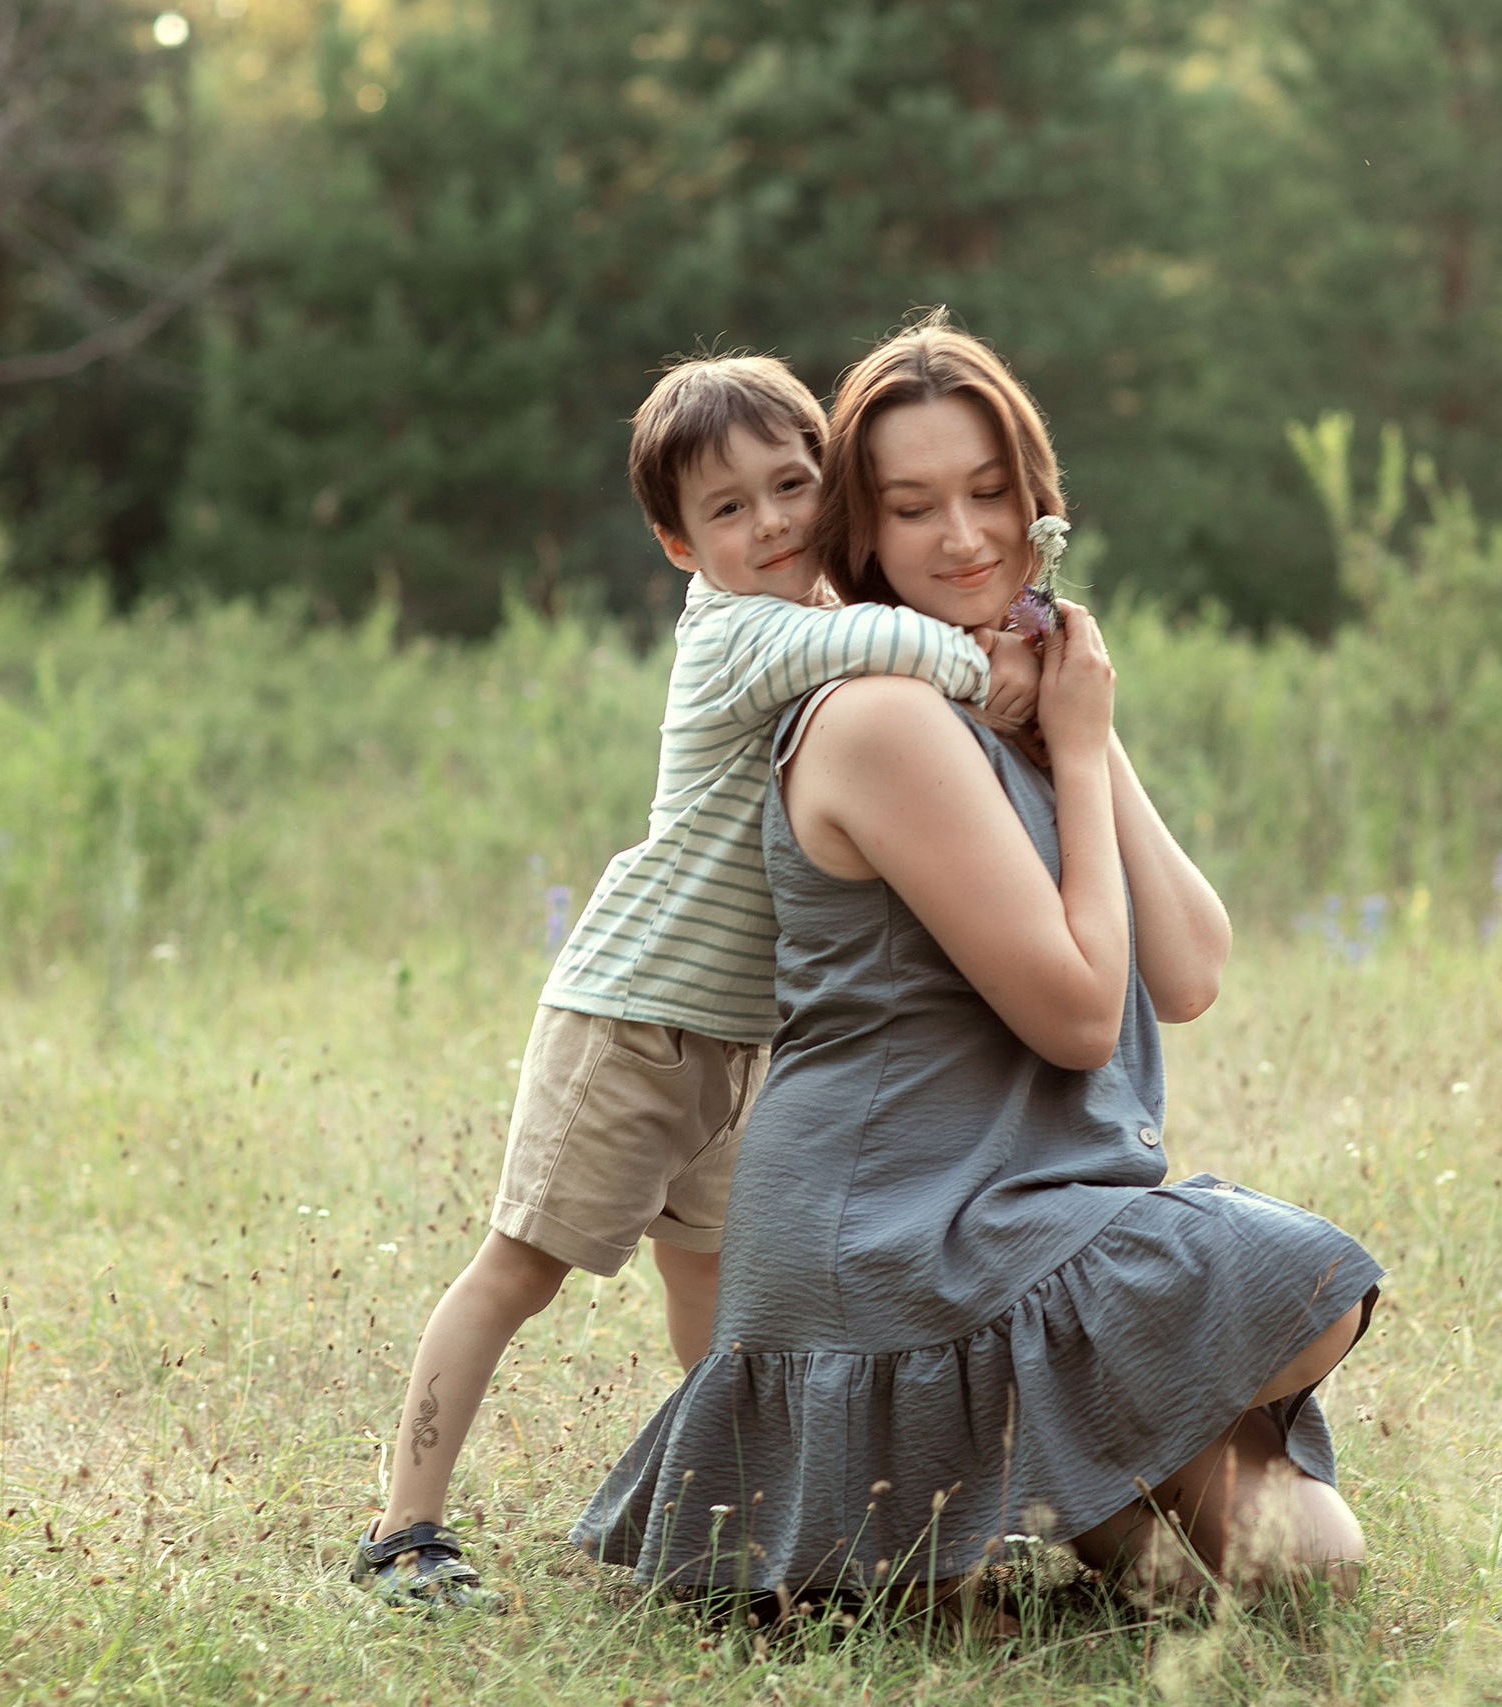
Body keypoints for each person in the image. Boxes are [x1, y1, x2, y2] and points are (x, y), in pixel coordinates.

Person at [575, 317, 1383, 1607]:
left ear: (1038, 504)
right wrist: (1069, 748)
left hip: (1025, 1211)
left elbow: (1187, 970)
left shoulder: (995, 687)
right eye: (913, 507)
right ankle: (1027, 1481)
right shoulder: (883, 717)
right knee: (1305, 1292)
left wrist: (1078, 715)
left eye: (989, 494)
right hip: (900, 1239)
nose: (960, 538)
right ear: (862, 530)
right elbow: (1075, 1018)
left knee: (1311, 1568)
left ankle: (1074, 1489)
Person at [351, 354, 1042, 1608]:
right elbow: (889, 635)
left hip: (742, 1038)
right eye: (729, 509)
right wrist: (988, 664)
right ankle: (404, 1528)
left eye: (793, 483)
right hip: (633, 1016)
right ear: (678, 543)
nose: (772, 521)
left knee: (715, 1287)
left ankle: (722, 1527)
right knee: (523, 1265)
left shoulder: (807, 612)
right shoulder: (742, 634)